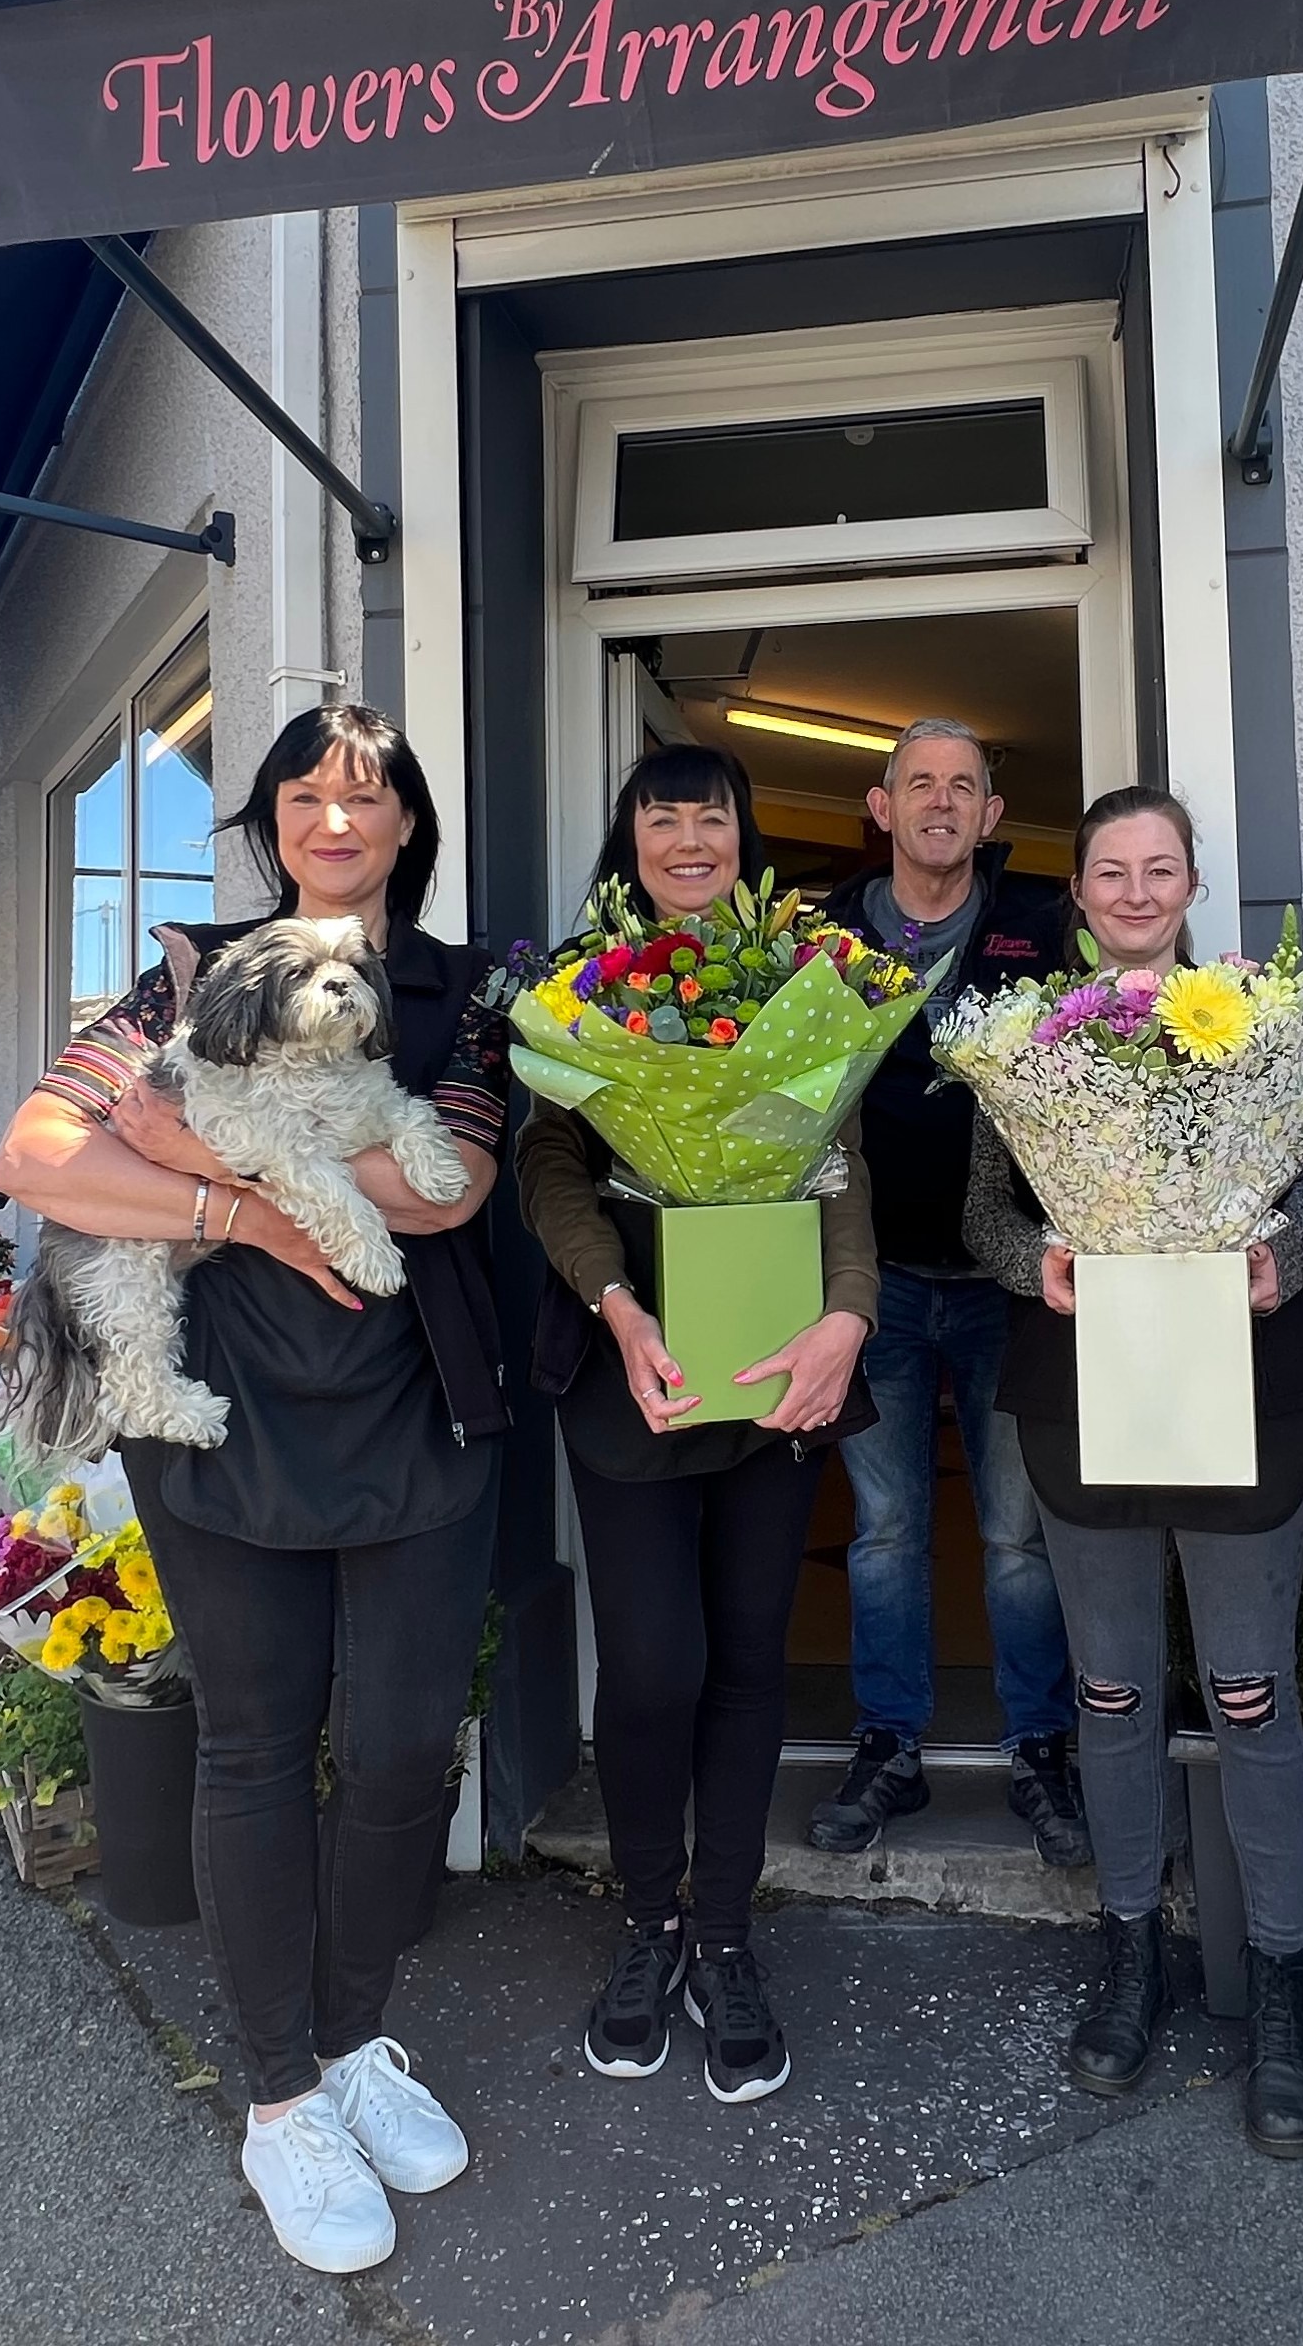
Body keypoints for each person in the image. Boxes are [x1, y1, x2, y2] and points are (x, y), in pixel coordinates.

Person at [0, 704, 508, 2278]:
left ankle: (354, 2040)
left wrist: (183, 1151)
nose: (335, 819)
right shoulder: (180, 971)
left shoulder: (463, 995)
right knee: (257, 1747)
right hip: (225, 1424)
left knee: (410, 1746)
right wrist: (237, 1201)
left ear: (408, 822)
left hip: (422, 1413)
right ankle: (280, 2094)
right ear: (268, 823)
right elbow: (37, 1152)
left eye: (367, 795)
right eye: (304, 795)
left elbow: (449, 1187)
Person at [964, 787, 1303, 2157]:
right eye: (1109, 871)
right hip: (1086, 1394)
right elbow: (984, 1214)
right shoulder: (1024, 1043)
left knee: (1252, 1695)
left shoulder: (1263, 1027)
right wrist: (1040, 1265)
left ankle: (1286, 1992)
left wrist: (1280, 1260)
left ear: (1192, 884)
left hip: (1248, 1387)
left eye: (1160, 869)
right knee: (1113, 1685)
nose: (1135, 891)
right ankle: (1130, 1951)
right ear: (1077, 894)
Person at [517, 745, 878, 2105]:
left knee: (746, 1662)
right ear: (631, 835)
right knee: (656, 1664)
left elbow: (840, 1166)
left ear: (743, 834)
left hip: (778, 1369)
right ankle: (646, 1923)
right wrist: (615, 1304)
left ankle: (722, 1934)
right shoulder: (580, 990)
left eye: (710, 814)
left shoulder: (802, 978)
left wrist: (846, 1319)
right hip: (640, 1373)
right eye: (661, 815)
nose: (688, 836)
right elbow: (549, 1172)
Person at [810, 718, 1084, 1865]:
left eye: (960, 786)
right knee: (882, 1532)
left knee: (1020, 1535)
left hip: (1010, 1281)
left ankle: (1039, 1746)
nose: (938, 802)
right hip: (866, 1283)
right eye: (916, 783)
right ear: (880, 808)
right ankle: (890, 1747)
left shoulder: (1040, 927)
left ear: (986, 817)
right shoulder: (817, 935)